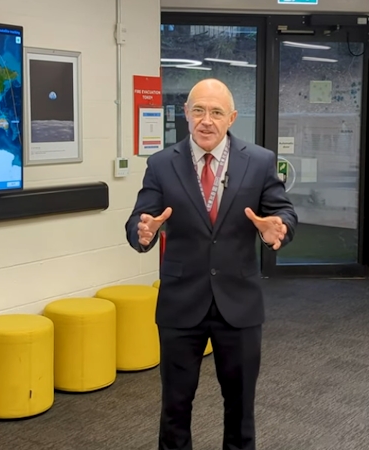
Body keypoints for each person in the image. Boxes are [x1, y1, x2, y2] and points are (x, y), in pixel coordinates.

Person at [125, 78, 297, 450]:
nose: (207, 120)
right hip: (180, 304)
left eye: (216, 112)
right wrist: (143, 232)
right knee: (175, 407)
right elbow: (140, 219)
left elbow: (282, 211)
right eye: (199, 110)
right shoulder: (160, 164)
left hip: (239, 303)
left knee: (240, 409)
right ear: (186, 114)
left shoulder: (260, 162)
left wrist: (278, 228)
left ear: (231, 118)